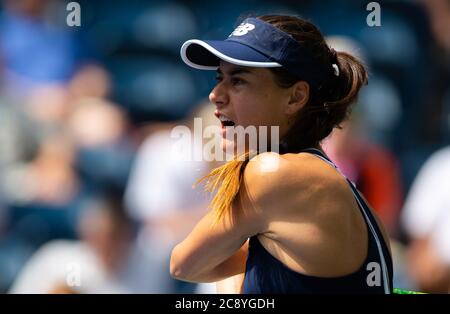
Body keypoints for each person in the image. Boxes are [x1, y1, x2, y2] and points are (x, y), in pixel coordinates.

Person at [170, 14, 393, 294]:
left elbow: (183, 265)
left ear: (296, 97)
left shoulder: (272, 173)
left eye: (238, 81)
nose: (216, 94)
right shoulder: (332, 185)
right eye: (219, 79)